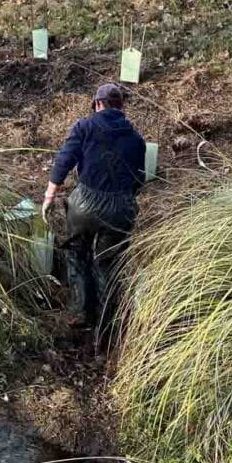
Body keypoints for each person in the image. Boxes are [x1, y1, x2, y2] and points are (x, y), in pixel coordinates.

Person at [43, 83, 146, 339]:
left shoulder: (85, 127)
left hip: (85, 204)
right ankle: (107, 329)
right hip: (120, 209)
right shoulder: (137, 140)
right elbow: (138, 180)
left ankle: (80, 312)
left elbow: (64, 160)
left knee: (76, 253)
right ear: (122, 107)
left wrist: (49, 195)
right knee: (107, 264)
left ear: (97, 104)